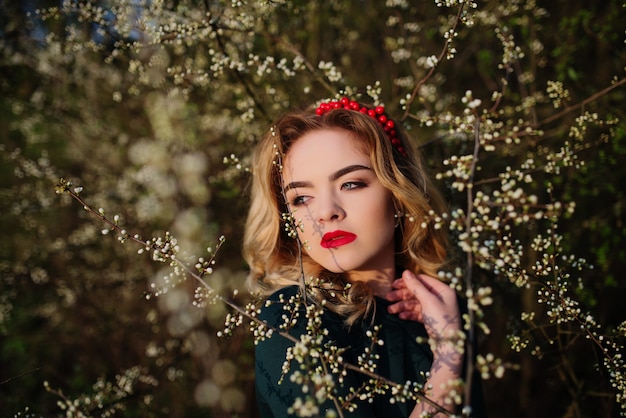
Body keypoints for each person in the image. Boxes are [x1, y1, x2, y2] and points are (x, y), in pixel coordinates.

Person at [243, 97, 483, 417]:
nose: (326, 212)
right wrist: (448, 360)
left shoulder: (446, 317)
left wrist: (450, 337)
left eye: (351, 184)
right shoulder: (291, 317)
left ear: (397, 194)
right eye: (301, 198)